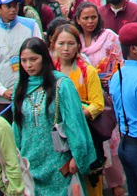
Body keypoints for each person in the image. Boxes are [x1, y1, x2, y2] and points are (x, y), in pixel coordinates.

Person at [12, 37, 96, 194]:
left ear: (44, 58)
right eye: (23, 61)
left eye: (33, 59)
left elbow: (74, 124)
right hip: (29, 162)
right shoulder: (20, 88)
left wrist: (77, 157)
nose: (28, 65)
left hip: (58, 163)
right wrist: (14, 157)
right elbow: (17, 126)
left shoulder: (62, 84)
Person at [73, 2, 126, 196]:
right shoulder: (74, 39)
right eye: (85, 18)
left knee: (109, 137)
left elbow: (119, 62)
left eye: (93, 17)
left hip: (106, 94)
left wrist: (110, 76)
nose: (89, 22)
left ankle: (115, 181)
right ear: (78, 19)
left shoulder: (109, 37)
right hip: (81, 96)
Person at [51, 24, 105, 196]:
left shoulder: (87, 71)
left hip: (85, 132)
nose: (65, 49)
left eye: (70, 43)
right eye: (61, 44)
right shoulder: (50, 72)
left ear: (78, 45)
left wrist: (76, 116)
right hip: (58, 137)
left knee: (91, 182)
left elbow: (98, 104)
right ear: (53, 45)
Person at [0, 0, 41, 117]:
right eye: (8, 6)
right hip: (3, 97)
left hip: (30, 91)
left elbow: (41, 56)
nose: (13, 9)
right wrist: (1, 90)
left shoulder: (31, 25)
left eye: (15, 6)